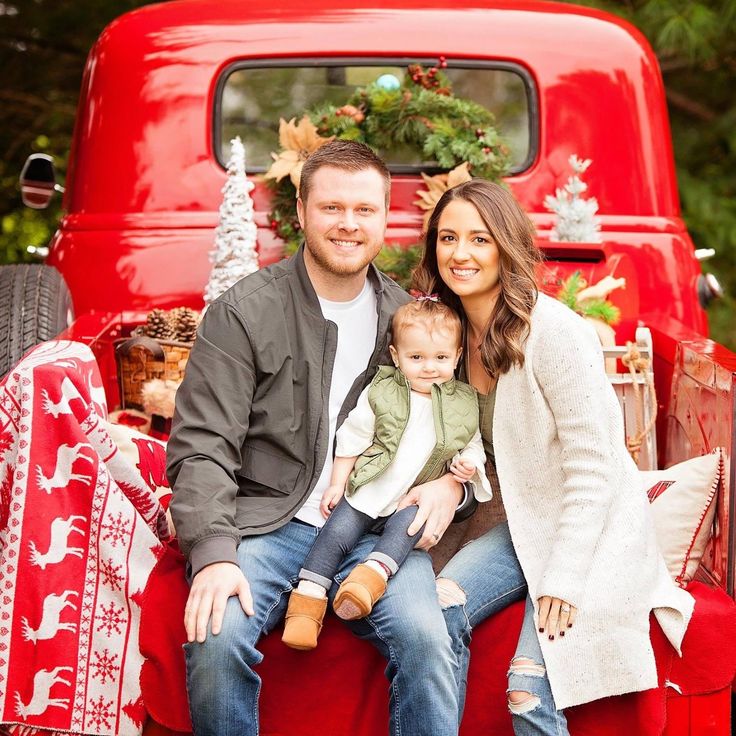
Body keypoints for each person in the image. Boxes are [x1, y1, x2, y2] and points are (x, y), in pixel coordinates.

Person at [167, 140, 468, 736]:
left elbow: (455, 433)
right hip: (265, 522)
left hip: (375, 525)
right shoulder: (244, 312)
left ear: (386, 218)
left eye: (365, 209)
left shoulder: (411, 322)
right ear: (300, 211)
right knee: (217, 636)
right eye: (331, 207)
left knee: (429, 640)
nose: (348, 224)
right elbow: (202, 446)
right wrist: (212, 554)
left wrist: (451, 492)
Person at [411, 179, 694, 735]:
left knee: (526, 693)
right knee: (436, 610)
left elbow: (595, 468)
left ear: (506, 246)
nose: (460, 254)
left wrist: (562, 578)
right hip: (521, 525)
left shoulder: (554, 333)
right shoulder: (445, 333)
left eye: (479, 239)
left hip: (589, 529)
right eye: (448, 238)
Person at [282, 297, 492, 650]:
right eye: (416, 358)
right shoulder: (382, 392)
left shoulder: (464, 402)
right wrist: (337, 482)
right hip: (371, 486)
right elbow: (352, 436)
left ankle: (370, 578)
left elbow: (471, 444)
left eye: (441, 358)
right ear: (396, 357)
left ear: (457, 357)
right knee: (338, 532)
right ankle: (308, 600)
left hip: (412, 496)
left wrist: (467, 468)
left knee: (408, 528)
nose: (429, 368)